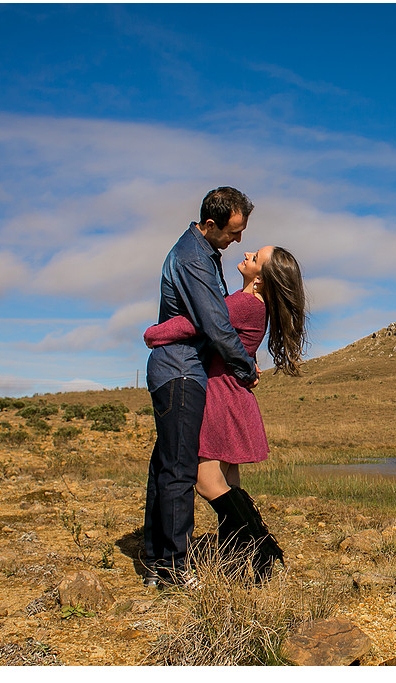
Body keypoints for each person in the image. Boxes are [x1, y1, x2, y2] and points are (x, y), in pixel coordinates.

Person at [144, 245, 306, 583]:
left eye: (255, 257)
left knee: (205, 481)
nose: (247, 254)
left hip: (221, 395)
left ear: (260, 278)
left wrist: (153, 333)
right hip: (234, 395)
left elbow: (198, 323)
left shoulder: (245, 303)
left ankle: (260, 545)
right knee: (229, 482)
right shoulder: (254, 304)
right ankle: (242, 563)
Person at [143, 187, 259, 588]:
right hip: (181, 371)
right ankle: (174, 570)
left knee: (164, 465)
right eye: (233, 232)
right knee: (178, 469)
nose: (238, 240)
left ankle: (157, 559)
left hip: (173, 369)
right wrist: (246, 367)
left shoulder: (201, 253)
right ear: (210, 225)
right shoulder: (194, 259)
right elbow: (215, 323)